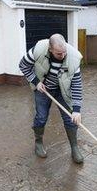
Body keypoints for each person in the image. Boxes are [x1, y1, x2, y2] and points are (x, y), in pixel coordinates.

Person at [19, 34, 84, 164]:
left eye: (64, 52)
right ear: (50, 49)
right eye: (59, 53)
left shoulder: (74, 59)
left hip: (62, 90)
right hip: (43, 88)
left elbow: (76, 85)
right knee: (41, 117)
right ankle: (38, 143)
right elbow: (23, 65)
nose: (63, 55)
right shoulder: (37, 50)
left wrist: (76, 110)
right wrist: (36, 82)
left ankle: (74, 147)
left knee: (70, 118)